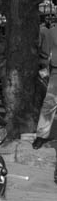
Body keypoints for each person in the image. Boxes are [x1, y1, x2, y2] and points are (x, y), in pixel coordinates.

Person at [33, 21, 57, 151]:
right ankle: (41, 135)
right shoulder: (52, 31)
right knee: (49, 104)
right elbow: (47, 52)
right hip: (56, 71)